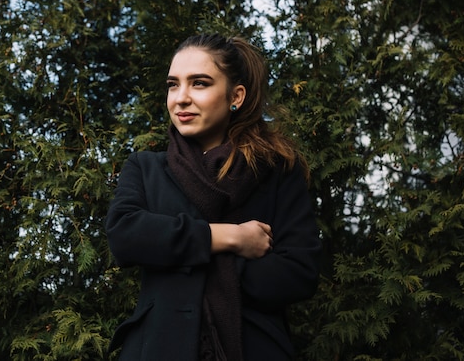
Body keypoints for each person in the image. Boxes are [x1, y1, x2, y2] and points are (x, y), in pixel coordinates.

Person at [105, 33, 322, 360]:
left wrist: (185, 258)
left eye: (200, 83)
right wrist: (230, 237)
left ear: (235, 96)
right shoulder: (145, 168)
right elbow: (126, 235)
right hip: (157, 348)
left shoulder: (276, 172)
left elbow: (299, 274)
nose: (181, 98)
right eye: (173, 84)